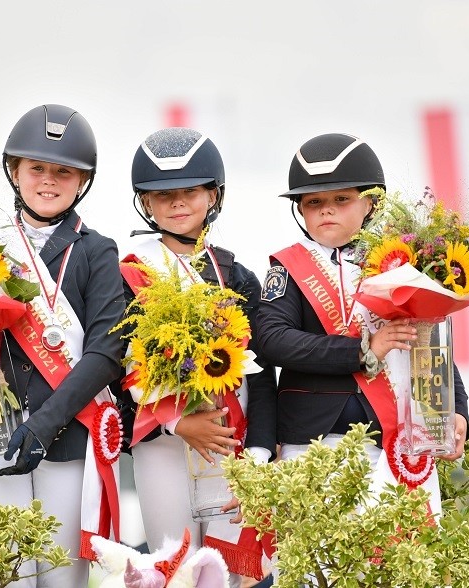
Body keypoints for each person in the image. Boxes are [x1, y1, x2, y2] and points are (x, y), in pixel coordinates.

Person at [0, 104, 126, 587]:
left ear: (82, 180)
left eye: (63, 171)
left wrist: (43, 425)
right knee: (0, 578)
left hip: (64, 438)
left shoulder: (97, 251)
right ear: (14, 171)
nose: (48, 180)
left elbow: (105, 352)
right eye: (36, 167)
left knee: (60, 580)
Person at [251, 132, 468, 520]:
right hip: (321, 444)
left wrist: (458, 410)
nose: (325, 211)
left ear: (371, 202)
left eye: (341, 199)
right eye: (313, 202)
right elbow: (271, 340)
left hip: (405, 442)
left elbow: (431, 339)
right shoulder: (287, 268)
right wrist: (363, 349)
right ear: (300, 209)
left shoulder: (404, 261)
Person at [113, 127, 277, 587]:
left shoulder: (237, 275)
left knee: (226, 576)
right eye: (162, 195)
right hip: (162, 444)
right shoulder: (127, 272)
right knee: (174, 570)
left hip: (232, 445)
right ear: (145, 203)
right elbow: (114, 367)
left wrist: (260, 455)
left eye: (189, 191)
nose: (177, 203)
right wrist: (176, 422)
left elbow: (262, 375)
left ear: (213, 195)